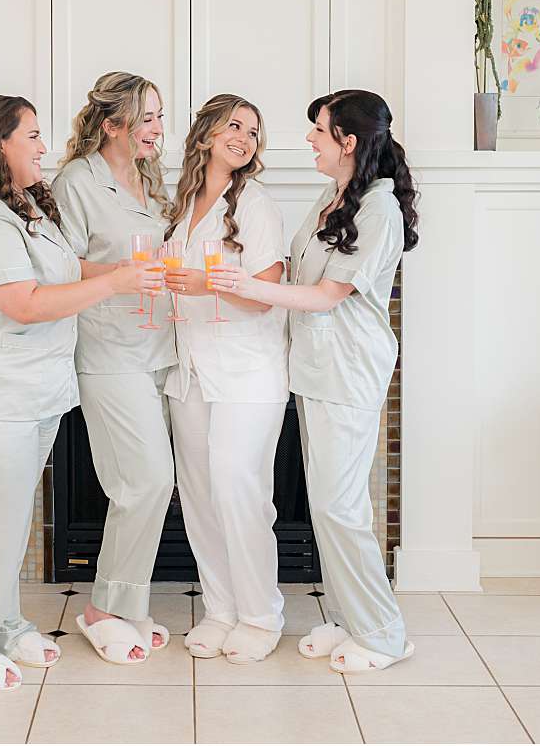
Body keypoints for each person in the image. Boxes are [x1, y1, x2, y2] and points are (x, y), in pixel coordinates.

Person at [0, 94, 161, 691]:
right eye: (31, 135)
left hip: (31, 394)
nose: (43, 146)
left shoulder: (23, 205)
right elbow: (24, 303)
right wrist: (118, 285)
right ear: (0, 141)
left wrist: (124, 273)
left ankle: (2, 623)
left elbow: (62, 271)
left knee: (6, 523)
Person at [208, 89, 420, 673]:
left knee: (339, 507)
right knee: (330, 505)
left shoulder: (378, 209)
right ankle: (354, 619)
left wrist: (245, 286)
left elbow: (327, 295)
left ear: (348, 142)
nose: (309, 140)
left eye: (319, 132)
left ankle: (382, 633)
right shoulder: (337, 197)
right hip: (318, 369)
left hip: (349, 372)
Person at [50, 71, 177, 665]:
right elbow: (61, 267)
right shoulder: (77, 181)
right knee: (145, 481)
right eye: (147, 118)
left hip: (160, 347)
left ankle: (128, 602)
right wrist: (124, 277)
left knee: (147, 484)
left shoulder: (151, 179)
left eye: (158, 116)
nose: (158, 128)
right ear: (113, 124)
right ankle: (105, 606)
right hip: (107, 352)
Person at [160, 94, 290, 664]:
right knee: (201, 496)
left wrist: (206, 285)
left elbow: (267, 293)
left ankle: (260, 615)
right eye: (234, 126)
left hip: (246, 372)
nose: (244, 137)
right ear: (207, 133)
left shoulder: (256, 203)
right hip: (189, 371)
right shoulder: (181, 201)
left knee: (240, 492)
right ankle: (220, 609)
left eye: (254, 132)